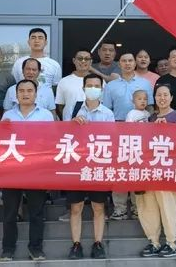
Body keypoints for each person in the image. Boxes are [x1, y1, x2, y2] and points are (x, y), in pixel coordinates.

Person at [0, 79, 53, 261]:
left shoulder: (45, 115)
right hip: (11, 169)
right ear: (16, 95)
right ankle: (7, 248)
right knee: (10, 212)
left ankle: (35, 248)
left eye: (29, 90)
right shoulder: (8, 115)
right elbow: (0, 142)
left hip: (36, 169)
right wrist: (2, 129)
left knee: (36, 212)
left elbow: (51, 141)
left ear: (36, 94)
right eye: (21, 91)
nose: (25, 94)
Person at [66, 73, 114, 260]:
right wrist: (73, 124)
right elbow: (63, 135)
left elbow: (112, 140)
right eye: (89, 85)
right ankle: (76, 244)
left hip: (98, 165)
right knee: (76, 207)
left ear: (101, 89)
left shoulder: (107, 113)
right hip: (77, 165)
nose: (92, 88)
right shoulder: (74, 109)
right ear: (83, 88)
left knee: (98, 206)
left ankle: (98, 243)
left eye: (96, 86)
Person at [136, 83, 176, 258]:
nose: (162, 98)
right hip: (150, 171)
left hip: (168, 171)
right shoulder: (150, 118)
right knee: (148, 206)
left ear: (171, 98)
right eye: (159, 95)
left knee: (168, 206)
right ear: (154, 98)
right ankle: (154, 241)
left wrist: (167, 128)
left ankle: (171, 243)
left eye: (165, 95)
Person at [113, 89, 151, 221]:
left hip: (143, 152)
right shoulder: (131, 114)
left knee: (138, 180)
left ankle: (137, 209)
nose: (142, 101)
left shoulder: (148, 114)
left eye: (145, 99)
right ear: (133, 101)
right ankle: (120, 208)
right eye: (139, 99)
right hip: (130, 149)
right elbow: (128, 130)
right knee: (123, 178)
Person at [103, 51, 154, 121]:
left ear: (135, 63)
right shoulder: (110, 85)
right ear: (119, 64)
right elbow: (106, 109)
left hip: (140, 123)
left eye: (130, 60)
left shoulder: (145, 83)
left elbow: (150, 107)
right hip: (118, 123)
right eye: (124, 61)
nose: (127, 63)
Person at [56, 48, 93, 121]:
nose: (83, 61)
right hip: (69, 124)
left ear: (91, 62)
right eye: (80, 58)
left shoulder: (99, 81)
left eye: (86, 59)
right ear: (74, 60)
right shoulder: (64, 81)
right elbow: (60, 105)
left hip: (93, 124)